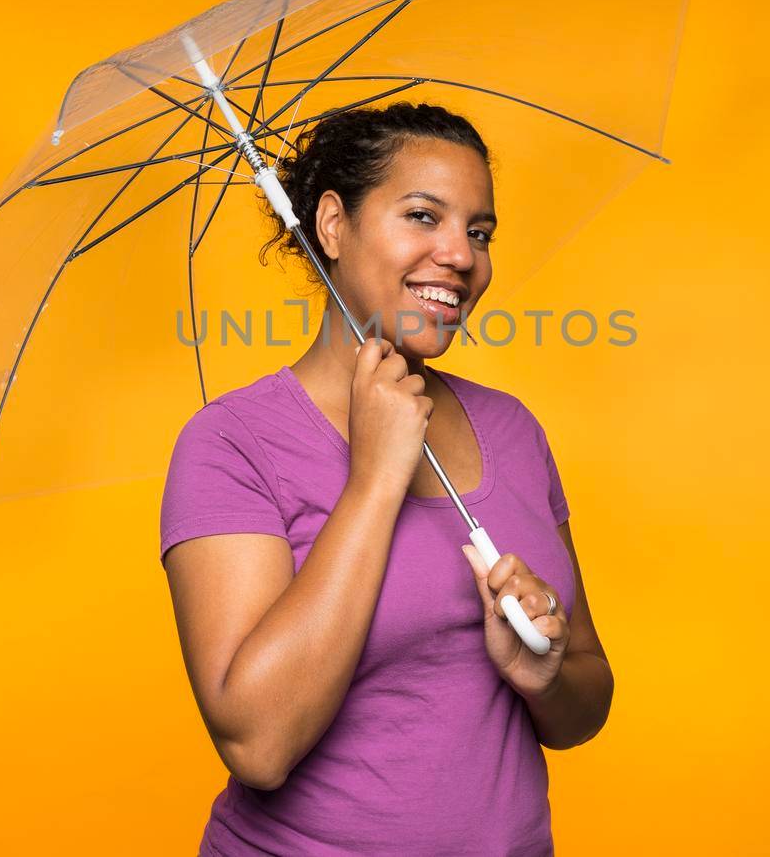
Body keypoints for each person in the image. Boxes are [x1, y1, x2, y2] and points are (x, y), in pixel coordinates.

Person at [159, 102, 613, 856]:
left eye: (478, 232)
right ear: (332, 226)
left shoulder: (514, 430)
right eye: (423, 216)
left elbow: (585, 705)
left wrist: (544, 675)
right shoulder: (230, 445)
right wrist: (373, 484)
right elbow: (258, 746)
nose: (461, 257)